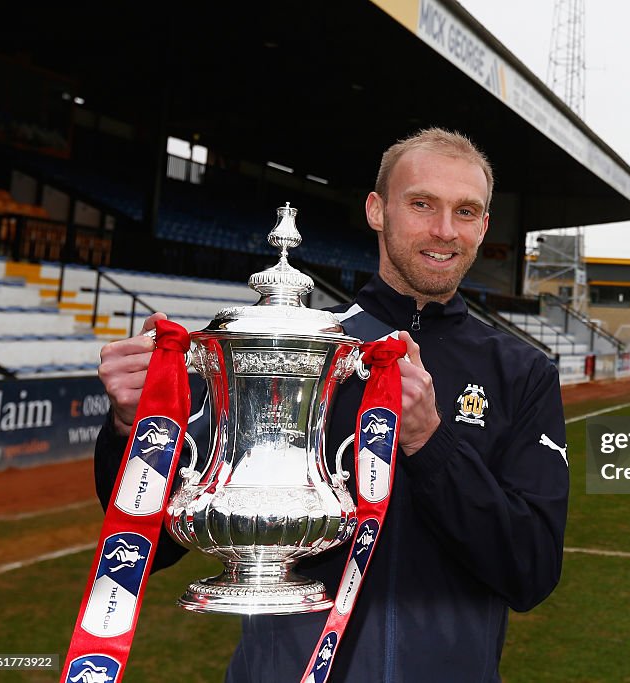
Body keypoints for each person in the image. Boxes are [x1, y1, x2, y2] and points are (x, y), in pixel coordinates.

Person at [94, 128, 570, 682]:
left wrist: (431, 445)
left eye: (466, 211)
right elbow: (150, 551)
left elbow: (531, 571)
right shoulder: (287, 351)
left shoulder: (523, 372)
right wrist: (133, 428)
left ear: (484, 227)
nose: (444, 231)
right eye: (421, 204)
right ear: (376, 210)